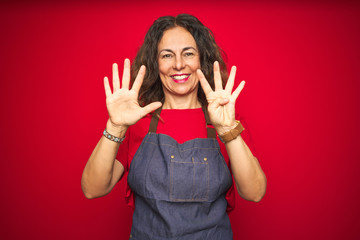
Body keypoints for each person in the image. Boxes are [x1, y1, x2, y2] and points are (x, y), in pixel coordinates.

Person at [81, 14, 266, 239]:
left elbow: (255, 193)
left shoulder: (226, 120)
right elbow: (93, 189)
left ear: (202, 59)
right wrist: (115, 126)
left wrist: (228, 130)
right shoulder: (136, 121)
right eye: (167, 55)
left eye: (188, 53)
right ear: (155, 63)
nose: (179, 64)